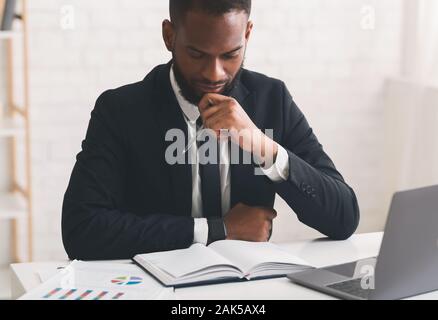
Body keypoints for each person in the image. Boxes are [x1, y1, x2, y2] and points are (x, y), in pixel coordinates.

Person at [62, 0, 360, 260]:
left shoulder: (273, 100)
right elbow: (82, 229)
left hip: (247, 290)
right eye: (197, 54)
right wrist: (218, 230)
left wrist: (262, 145)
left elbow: (343, 218)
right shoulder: (120, 111)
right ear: (169, 35)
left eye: (230, 55)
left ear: (247, 34)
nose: (214, 73)